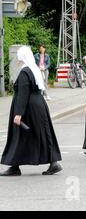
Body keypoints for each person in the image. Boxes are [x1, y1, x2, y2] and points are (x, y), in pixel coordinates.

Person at [1, 46, 62, 176]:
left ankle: (15, 166)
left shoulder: (24, 72)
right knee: (42, 133)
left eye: (18, 55)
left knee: (19, 136)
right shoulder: (33, 70)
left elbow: (23, 94)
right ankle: (51, 162)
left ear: (22, 57)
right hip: (39, 105)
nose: (17, 58)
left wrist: (18, 114)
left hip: (29, 108)